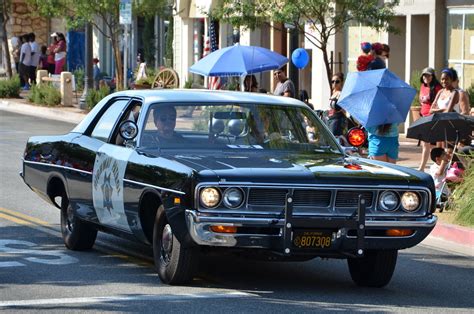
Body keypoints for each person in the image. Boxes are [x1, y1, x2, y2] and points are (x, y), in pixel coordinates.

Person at [417, 67, 442, 171]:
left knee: (437, 144)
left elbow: (440, 104)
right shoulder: (423, 86)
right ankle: (422, 167)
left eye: (428, 75)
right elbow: (422, 101)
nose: (425, 77)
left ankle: (441, 165)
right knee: (425, 143)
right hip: (424, 118)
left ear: (432, 76)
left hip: (433, 118)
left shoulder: (437, 88)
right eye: (424, 75)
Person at [327, 72, 346, 137]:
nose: (334, 83)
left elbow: (344, 109)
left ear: (341, 83)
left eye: (337, 81)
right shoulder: (333, 93)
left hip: (337, 121)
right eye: (333, 81)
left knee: (336, 139)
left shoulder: (340, 94)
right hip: (330, 119)